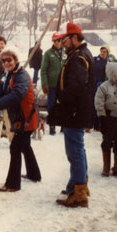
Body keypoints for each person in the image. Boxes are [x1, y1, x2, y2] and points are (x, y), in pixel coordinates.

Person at [49, 22, 94, 208]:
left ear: (75, 38)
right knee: (78, 149)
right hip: (78, 110)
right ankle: (77, 185)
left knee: (74, 150)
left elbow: (77, 86)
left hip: (75, 111)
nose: (63, 43)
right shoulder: (79, 54)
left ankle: (79, 193)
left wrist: (62, 100)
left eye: (66, 39)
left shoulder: (78, 57)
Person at [0, 48, 41, 192]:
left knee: (15, 147)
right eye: (3, 61)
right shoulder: (7, 75)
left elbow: (17, 94)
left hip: (26, 117)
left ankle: (13, 184)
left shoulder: (22, 75)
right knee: (25, 146)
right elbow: (0, 87)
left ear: (16, 60)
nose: (6, 63)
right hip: (18, 117)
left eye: (9, 60)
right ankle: (34, 174)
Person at [40, 32, 65, 135]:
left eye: (59, 40)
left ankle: (64, 125)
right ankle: (52, 125)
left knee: (64, 104)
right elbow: (43, 70)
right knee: (52, 105)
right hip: (52, 85)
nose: (58, 42)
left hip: (63, 85)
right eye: (55, 40)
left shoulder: (65, 52)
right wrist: (44, 84)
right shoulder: (48, 53)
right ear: (53, 41)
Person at [88, 45, 115, 132]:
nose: (102, 53)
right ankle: (90, 124)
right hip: (93, 85)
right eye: (101, 51)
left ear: (107, 53)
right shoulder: (95, 59)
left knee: (101, 105)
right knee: (92, 105)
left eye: (104, 52)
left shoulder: (108, 62)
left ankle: (98, 125)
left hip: (102, 86)